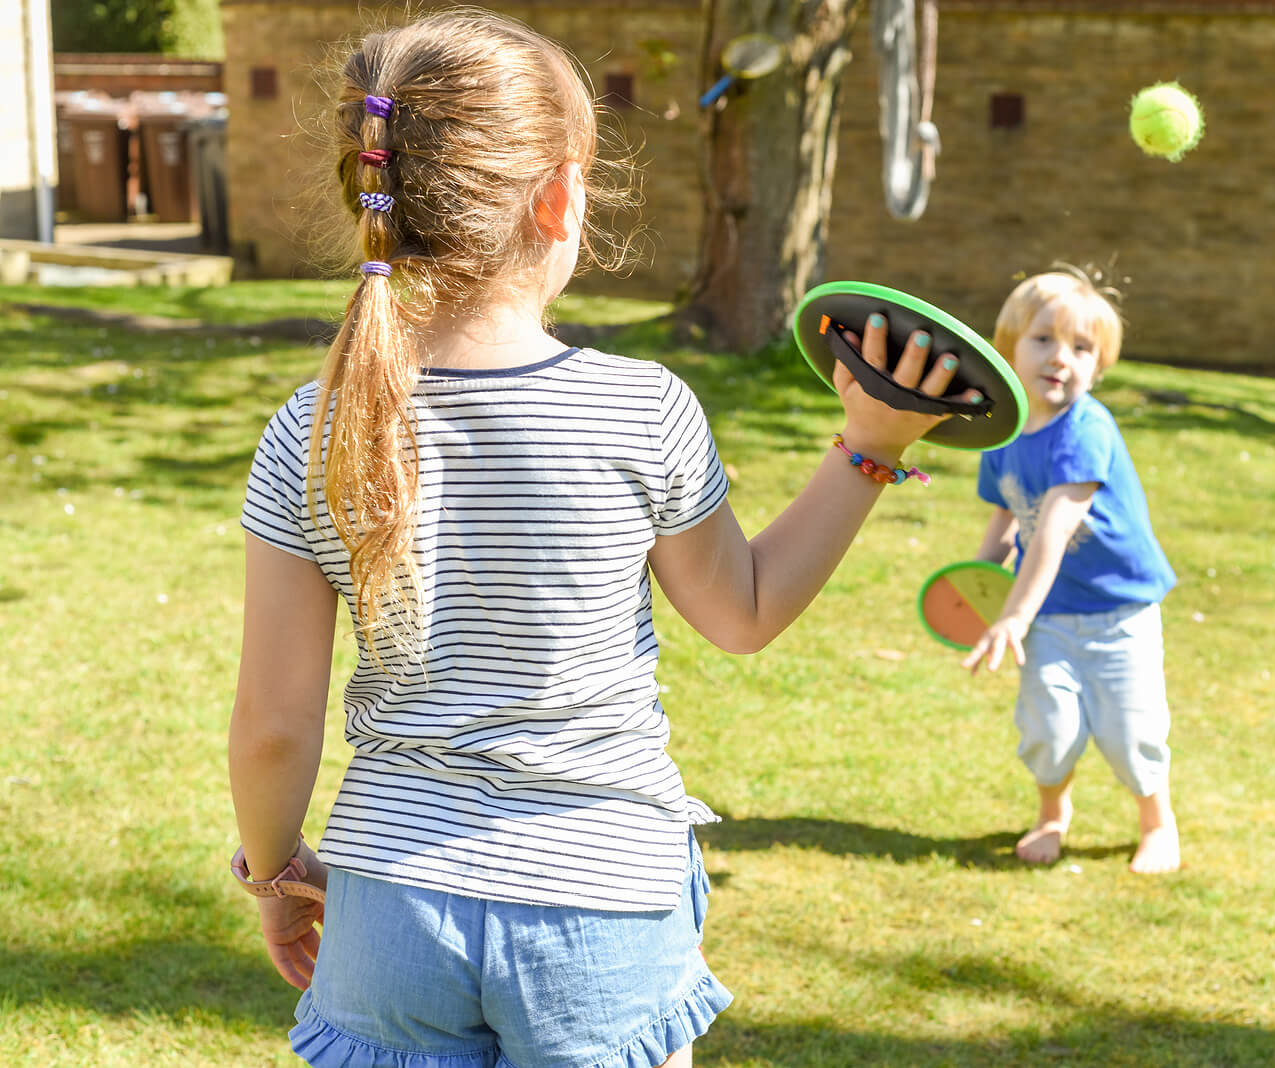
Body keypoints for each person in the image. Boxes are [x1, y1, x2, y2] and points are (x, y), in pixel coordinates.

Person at [227, 12, 976, 1068]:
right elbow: (743, 614)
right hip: (602, 907)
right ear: (560, 198)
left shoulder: (312, 428)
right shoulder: (641, 410)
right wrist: (869, 447)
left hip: (389, 907)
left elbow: (271, 723)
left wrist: (273, 875)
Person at [961, 269, 1181, 874]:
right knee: (1048, 727)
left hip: (1120, 608)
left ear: (1099, 365)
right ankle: (1052, 813)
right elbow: (1008, 517)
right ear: (1008, 347)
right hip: (1050, 612)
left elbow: (1053, 529)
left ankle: (1157, 823)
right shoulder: (1000, 431)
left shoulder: (1087, 429)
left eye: (1082, 349)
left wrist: (1012, 615)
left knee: (1131, 730)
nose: (1062, 358)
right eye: (1043, 341)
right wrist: (973, 588)